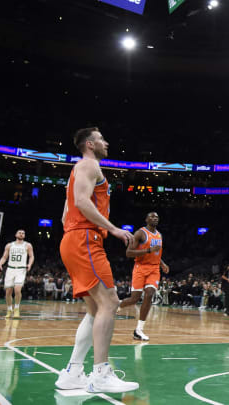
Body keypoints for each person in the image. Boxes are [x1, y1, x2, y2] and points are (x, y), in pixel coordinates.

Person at [55, 127, 139, 393]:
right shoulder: (89, 165)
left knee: (94, 311)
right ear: (90, 144)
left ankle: (73, 372)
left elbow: (65, 214)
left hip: (74, 240)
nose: (107, 141)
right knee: (110, 302)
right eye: (102, 138)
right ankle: (101, 373)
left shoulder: (78, 170)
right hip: (84, 241)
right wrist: (113, 229)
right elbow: (80, 201)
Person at [118, 212, 170, 341]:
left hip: (154, 269)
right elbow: (129, 253)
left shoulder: (159, 235)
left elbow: (156, 253)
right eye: (152, 216)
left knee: (149, 293)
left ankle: (139, 330)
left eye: (157, 217)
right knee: (134, 299)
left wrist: (162, 263)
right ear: (146, 219)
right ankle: (116, 305)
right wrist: (148, 251)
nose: (155, 218)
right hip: (140, 268)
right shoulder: (140, 233)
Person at [0, 229, 34, 319]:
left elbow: (31, 256)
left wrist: (29, 264)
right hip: (10, 269)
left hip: (21, 270)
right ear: (16, 234)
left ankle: (16, 309)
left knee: (17, 289)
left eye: (23, 233)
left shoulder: (27, 245)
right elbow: (4, 257)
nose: (21, 234)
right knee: (8, 291)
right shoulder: (9, 245)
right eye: (20, 233)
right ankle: (9, 309)